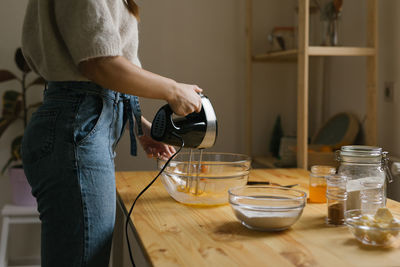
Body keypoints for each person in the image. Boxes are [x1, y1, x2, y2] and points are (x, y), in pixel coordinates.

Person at [21, 0, 202, 266]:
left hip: (76, 125)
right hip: (75, 131)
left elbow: (95, 75)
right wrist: (173, 90)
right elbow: (97, 63)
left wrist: (137, 124)